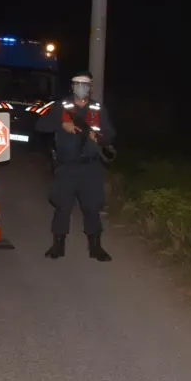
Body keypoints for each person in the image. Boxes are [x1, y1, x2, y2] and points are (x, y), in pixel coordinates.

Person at [35, 71, 116, 262]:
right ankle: (58, 245)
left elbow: (110, 135)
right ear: (72, 86)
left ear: (91, 87)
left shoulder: (98, 109)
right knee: (62, 206)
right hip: (66, 166)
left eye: (85, 84)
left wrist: (99, 137)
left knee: (92, 207)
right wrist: (62, 122)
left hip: (90, 167)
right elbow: (40, 125)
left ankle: (96, 247)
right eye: (77, 84)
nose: (81, 87)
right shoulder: (61, 106)